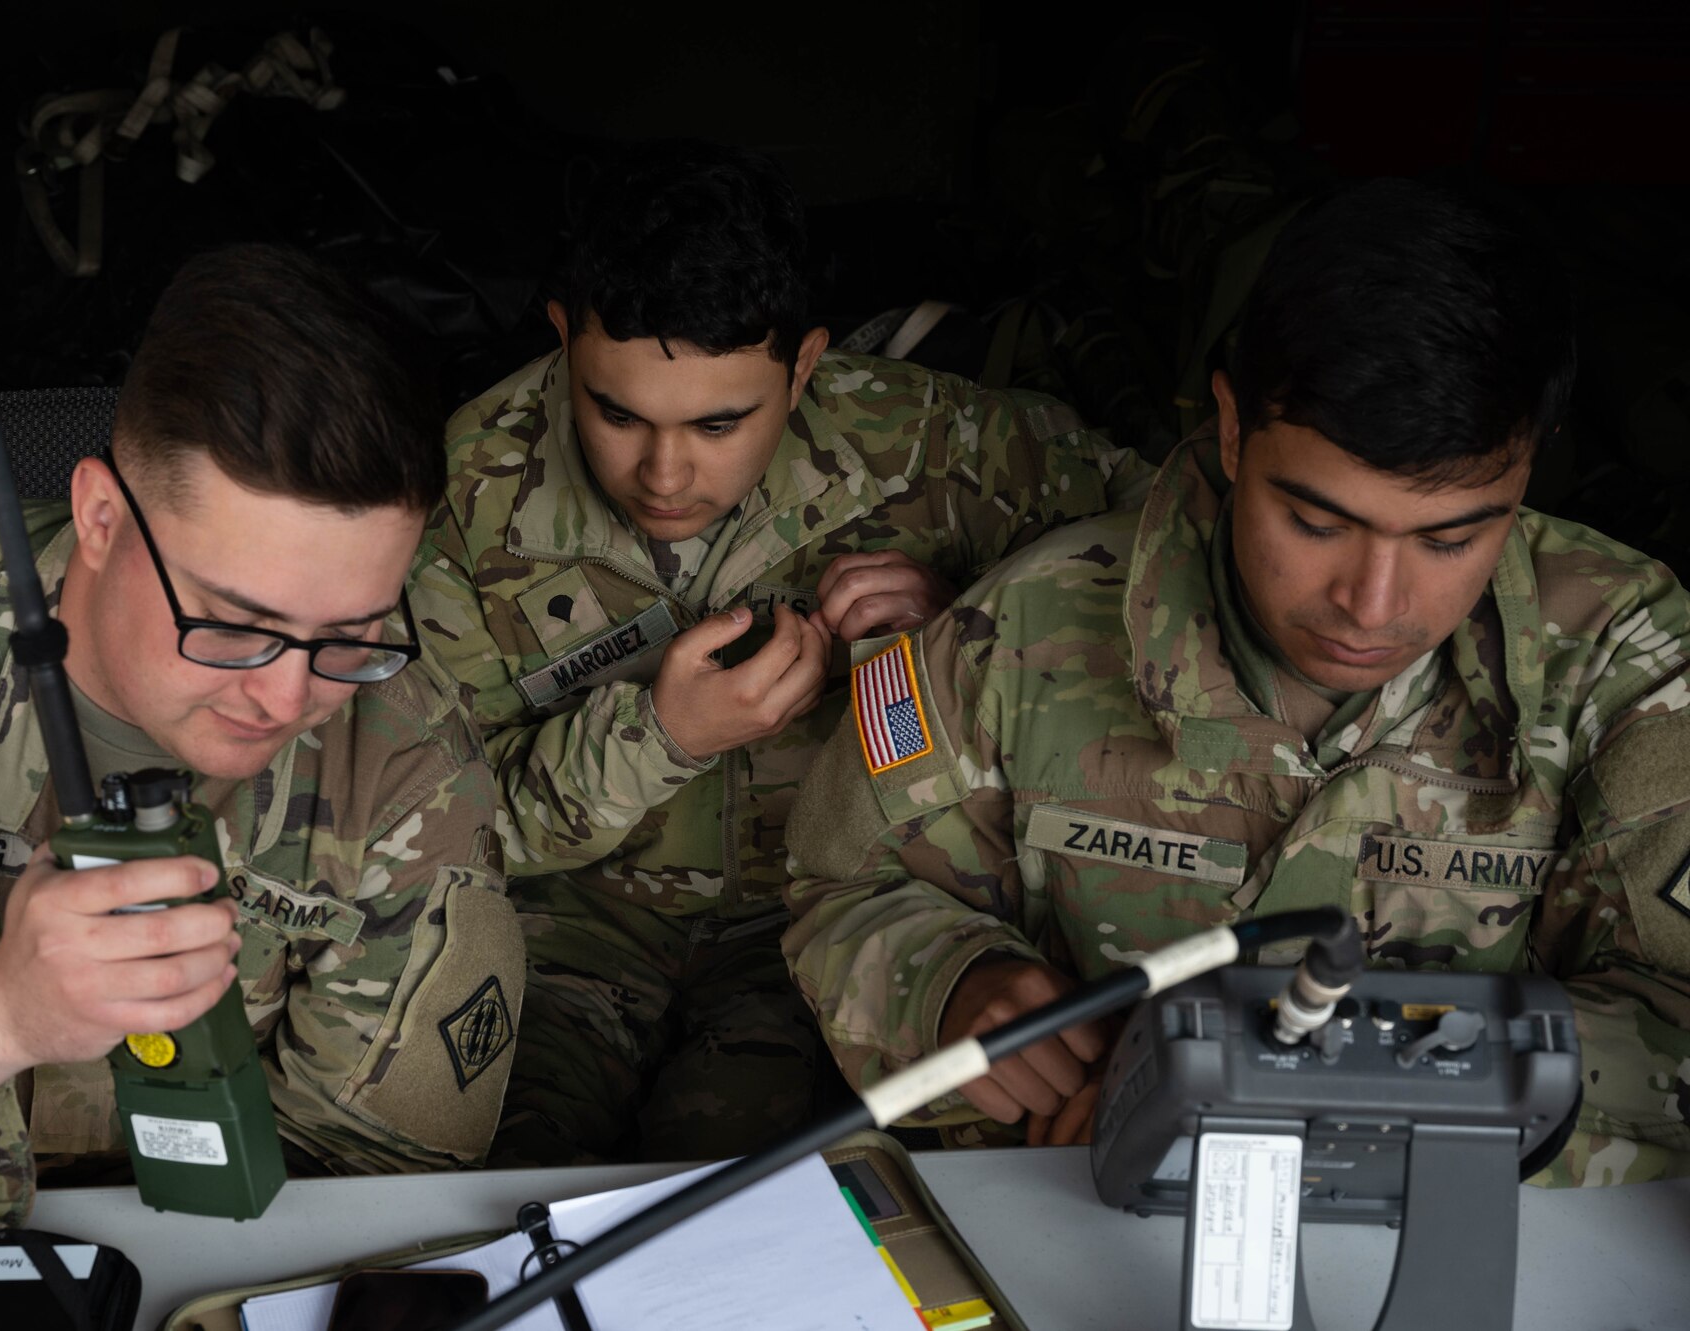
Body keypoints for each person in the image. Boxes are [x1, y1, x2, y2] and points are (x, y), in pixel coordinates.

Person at [782, 178, 1690, 1183]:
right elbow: (845, 883)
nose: (1371, 601)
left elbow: (1675, 1015)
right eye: (1314, 521)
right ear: (1228, 428)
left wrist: (1308, 1100)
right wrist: (948, 983)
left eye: (1448, 536)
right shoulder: (1019, 630)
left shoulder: (1624, 658)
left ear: (1525, 472)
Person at [0, 245, 523, 1226]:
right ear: (100, 515)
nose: (291, 691)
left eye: (350, 631)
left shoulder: (405, 747)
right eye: (238, 624)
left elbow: (386, 1187)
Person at [409, 140, 1151, 1164]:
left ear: (804, 363)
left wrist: (972, 621)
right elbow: (445, 831)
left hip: (807, 937)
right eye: (614, 411)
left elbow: (1185, 558)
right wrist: (658, 734)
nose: (663, 472)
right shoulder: (465, 493)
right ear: (561, 337)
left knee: (746, 1196)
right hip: (564, 932)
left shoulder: (934, 448)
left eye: (719, 422)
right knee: (499, 1177)